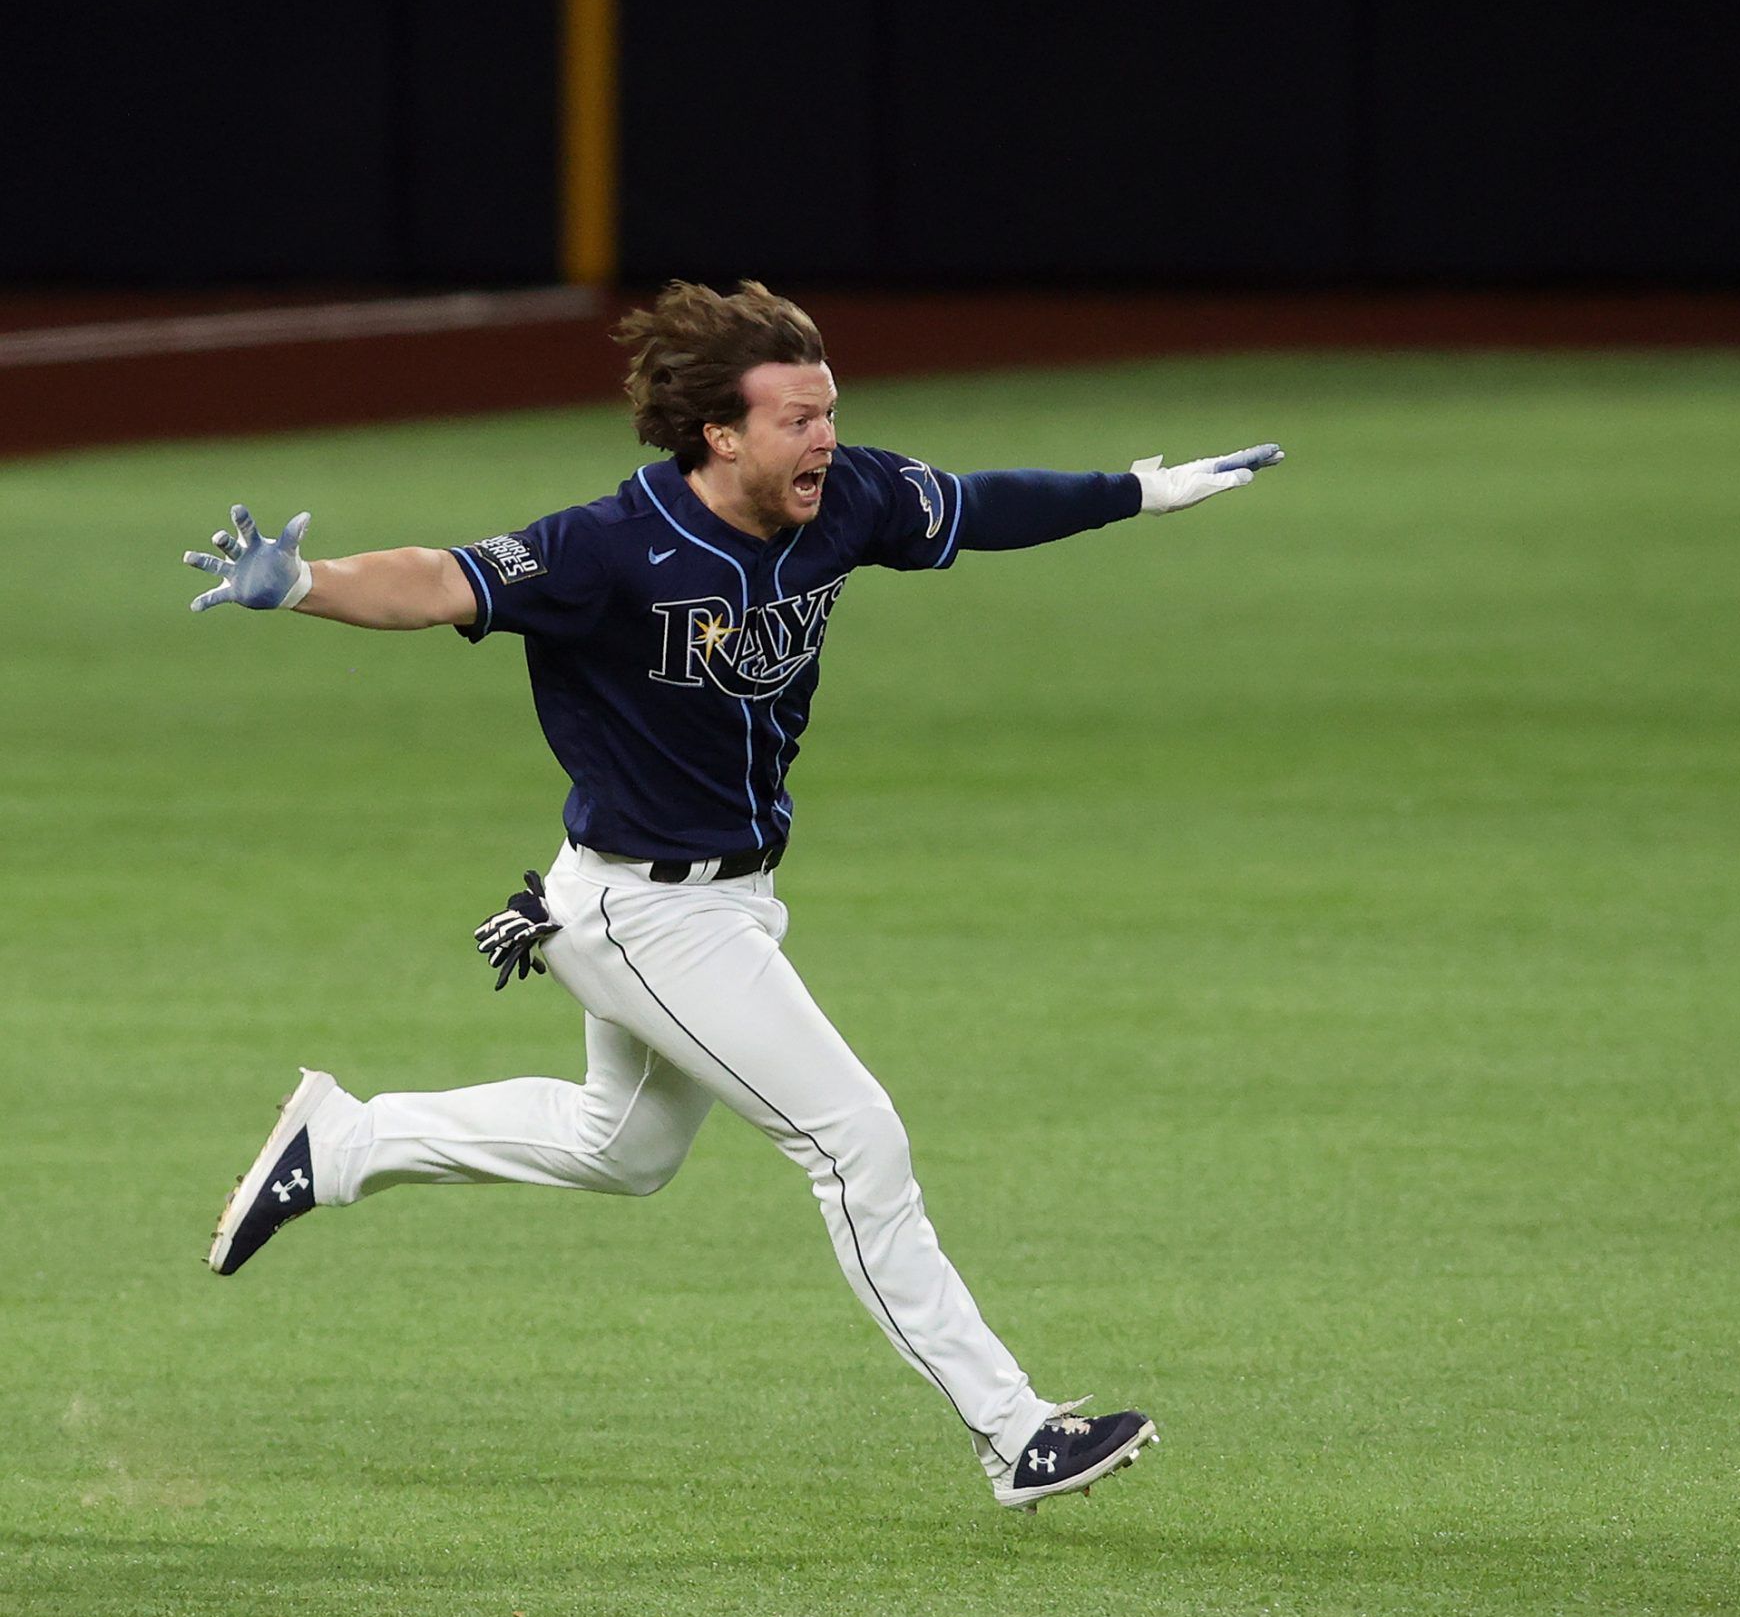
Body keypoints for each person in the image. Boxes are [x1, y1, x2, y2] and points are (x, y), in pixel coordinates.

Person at [182, 279, 1282, 1511]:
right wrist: (305, 582)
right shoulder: (608, 546)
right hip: (645, 915)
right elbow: (440, 577)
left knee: (624, 1147)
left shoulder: (847, 497)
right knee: (855, 1139)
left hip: (723, 899)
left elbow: (976, 507)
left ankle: (347, 1139)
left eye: (828, 409)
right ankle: (1014, 1429)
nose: (825, 435)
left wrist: (1138, 489)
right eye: (796, 417)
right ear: (721, 433)